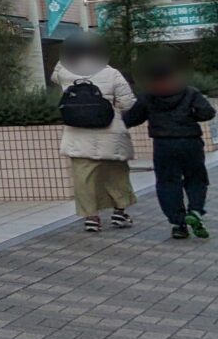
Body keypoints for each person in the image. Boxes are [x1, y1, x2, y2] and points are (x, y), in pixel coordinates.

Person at [52, 36, 137, 233]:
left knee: (84, 178)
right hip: (111, 134)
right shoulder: (112, 73)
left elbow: (55, 75)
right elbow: (128, 104)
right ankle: (119, 212)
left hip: (77, 134)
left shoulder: (64, 72)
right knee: (117, 175)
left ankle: (91, 218)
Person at [125, 57, 215, 240]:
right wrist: (192, 115)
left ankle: (178, 224)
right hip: (190, 142)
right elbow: (207, 113)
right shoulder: (190, 92)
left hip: (163, 144)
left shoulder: (149, 96)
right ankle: (195, 210)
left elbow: (131, 119)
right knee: (196, 179)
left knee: (167, 183)